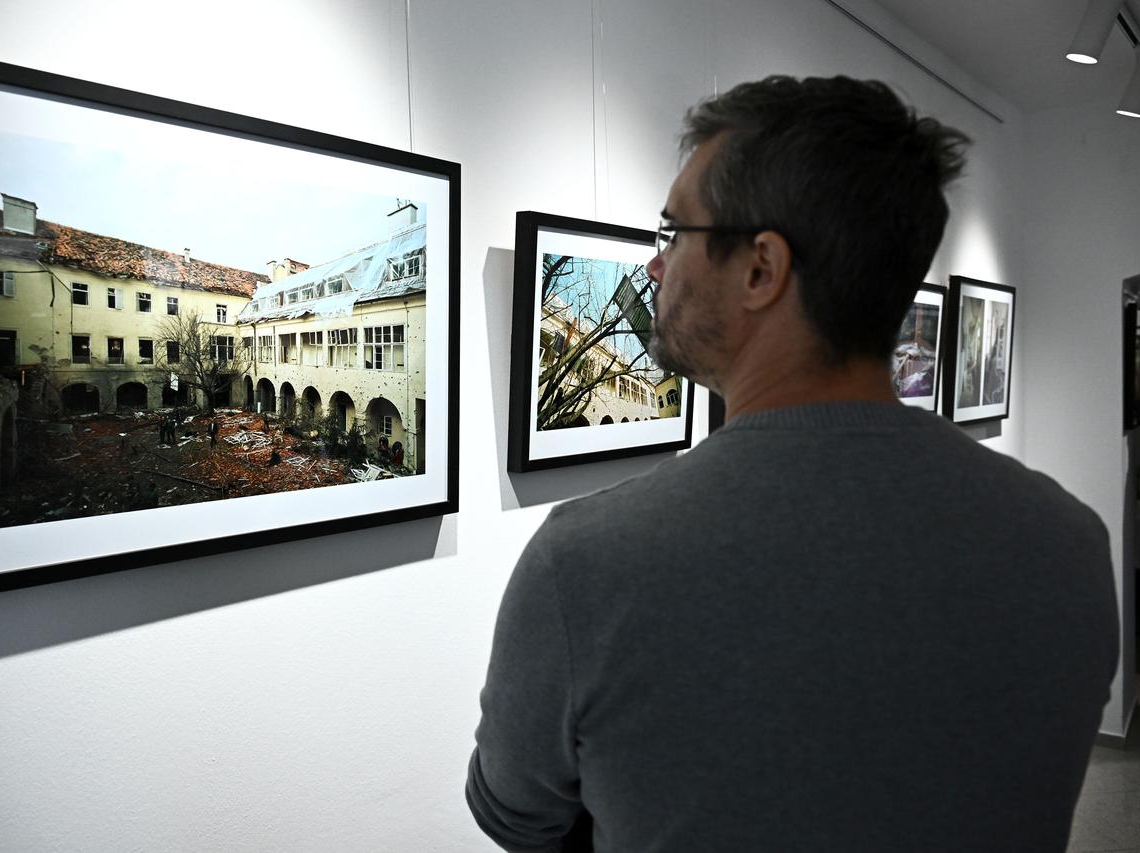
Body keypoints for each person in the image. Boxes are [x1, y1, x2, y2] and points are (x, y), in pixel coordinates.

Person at [466, 76, 1118, 853]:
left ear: (760, 270)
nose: (653, 266)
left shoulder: (585, 566)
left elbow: (516, 818)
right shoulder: (1070, 542)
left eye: (673, 232)